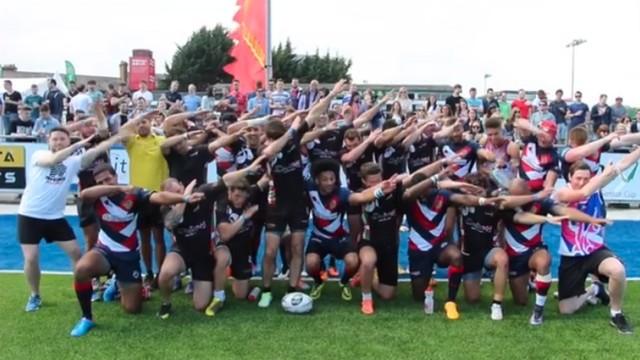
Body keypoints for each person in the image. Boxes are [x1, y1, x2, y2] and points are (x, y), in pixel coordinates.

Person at [69, 163, 205, 336]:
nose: (106, 183)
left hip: (129, 256)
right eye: (101, 181)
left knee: (132, 309)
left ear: (116, 175)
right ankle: (87, 318)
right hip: (104, 251)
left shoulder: (133, 194)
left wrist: (183, 198)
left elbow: (159, 196)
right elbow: (84, 194)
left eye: (109, 179)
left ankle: (117, 285)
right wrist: (115, 187)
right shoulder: (96, 196)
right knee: (81, 269)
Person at [256, 80, 346, 308]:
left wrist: (333, 93)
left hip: (298, 204)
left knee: (297, 248)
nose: (265, 140)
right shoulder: (270, 149)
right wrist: (292, 132)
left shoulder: (292, 139)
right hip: (276, 205)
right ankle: (266, 289)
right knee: (270, 251)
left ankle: (292, 287)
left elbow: (315, 113)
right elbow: (269, 150)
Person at [17, 124, 124, 313]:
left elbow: (96, 152)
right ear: (49, 141)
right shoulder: (39, 156)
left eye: (62, 139)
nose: (58, 142)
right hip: (30, 215)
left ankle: (82, 291)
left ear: (68, 140)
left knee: (75, 253)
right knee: (31, 258)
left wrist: (115, 138)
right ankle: (35, 295)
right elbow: (53, 160)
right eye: (55, 139)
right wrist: (79, 143)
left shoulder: (73, 162)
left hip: (55, 217)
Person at [553, 149, 640, 334]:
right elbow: (582, 195)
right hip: (571, 256)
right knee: (566, 310)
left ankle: (616, 313)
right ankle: (594, 290)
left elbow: (623, 164)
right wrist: (601, 178)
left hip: (595, 251)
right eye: (578, 178)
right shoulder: (561, 193)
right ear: (569, 178)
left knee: (617, 270)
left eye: (586, 178)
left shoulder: (596, 188)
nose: (582, 182)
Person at [208, 168, 268, 315]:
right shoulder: (222, 205)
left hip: (242, 249)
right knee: (222, 258)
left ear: (247, 194)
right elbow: (226, 235)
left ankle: (255, 288)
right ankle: (218, 297)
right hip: (224, 245)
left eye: (241, 196)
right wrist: (245, 217)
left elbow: (263, 181)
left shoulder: (250, 196)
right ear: (229, 193)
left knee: (240, 295)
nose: (237, 199)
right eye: (234, 195)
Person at [122, 110, 170, 291]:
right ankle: (148, 272)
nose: (142, 125)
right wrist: (143, 114)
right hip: (139, 198)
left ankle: (161, 273)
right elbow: (122, 130)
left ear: (151, 124)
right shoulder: (132, 142)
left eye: (145, 122)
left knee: (159, 238)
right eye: (139, 123)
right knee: (144, 238)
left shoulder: (160, 140)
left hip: (159, 197)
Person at [513, 119, 560, 192]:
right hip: (518, 186)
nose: (542, 138)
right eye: (541, 135)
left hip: (534, 193)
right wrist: (538, 131)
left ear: (553, 138)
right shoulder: (532, 139)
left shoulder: (553, 156)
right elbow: (518, 122)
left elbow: (549, 185)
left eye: (548, 135)